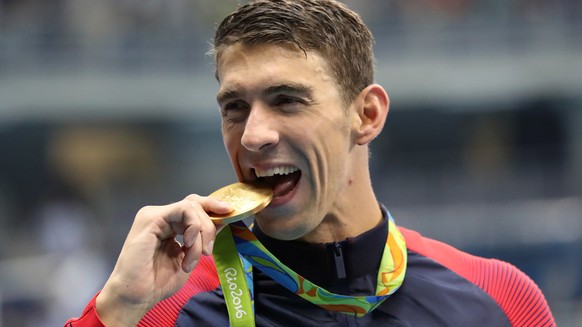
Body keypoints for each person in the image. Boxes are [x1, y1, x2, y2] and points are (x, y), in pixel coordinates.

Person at [65, 0, 555, 326]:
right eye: (234, 107)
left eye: (287, 100)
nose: (253, 135)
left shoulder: (498, 297)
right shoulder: (163, 310)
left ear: (366, 115)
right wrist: (116, 310)